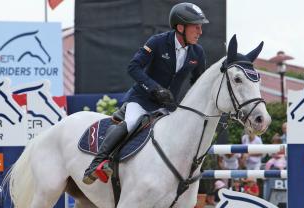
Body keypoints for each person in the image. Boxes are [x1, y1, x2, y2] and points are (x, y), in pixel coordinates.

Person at [82, 2, 209, 184]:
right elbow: (133, 67)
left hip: (169, 106)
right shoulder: (158, 42)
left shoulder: (198, 52)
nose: (200, 31)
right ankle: (96, 163)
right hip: (142, 99)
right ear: (180, 27)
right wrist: (155, 88)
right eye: (196, 27)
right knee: (132, 122)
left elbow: (199, 82)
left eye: (201, 27)